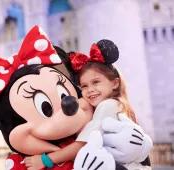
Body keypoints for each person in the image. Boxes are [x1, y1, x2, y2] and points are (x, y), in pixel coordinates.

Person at [24, 40, 152, 170]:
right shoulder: (118, 105)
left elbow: (84, 144)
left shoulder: (107, 106)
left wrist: (46, 160)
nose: (90, 89)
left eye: (96, 82)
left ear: (115, 83)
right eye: (84, 86)